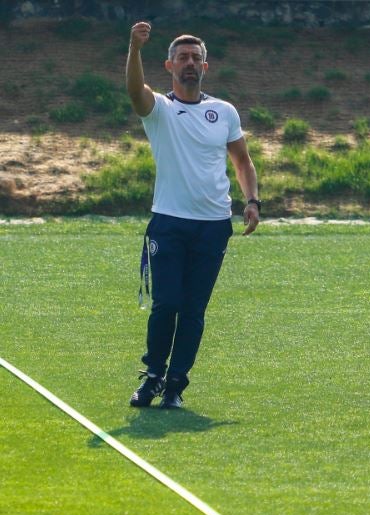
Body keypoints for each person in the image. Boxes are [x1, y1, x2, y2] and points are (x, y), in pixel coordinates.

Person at [126, 21, 261, 408]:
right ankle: (151, 377)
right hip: (168, 223)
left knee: (193, 310)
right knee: (165, 303)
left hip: (214, 227)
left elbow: (242, 160)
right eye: (182, 57)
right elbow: (135, 91)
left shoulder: (224, 111)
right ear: (168, 66)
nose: (189, 62)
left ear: (205, 66)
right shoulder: (160, 109)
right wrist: (134, 49)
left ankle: (175, 385)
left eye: (195, 57)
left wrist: (252, 201)